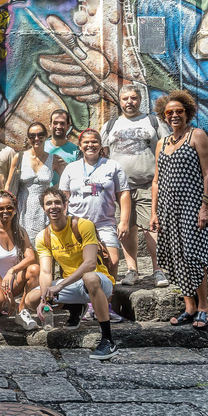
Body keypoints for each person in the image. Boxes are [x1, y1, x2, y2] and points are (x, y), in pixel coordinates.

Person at [151, 90, 208, 330]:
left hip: (194, 207)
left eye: (179, 111)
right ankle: (189, 307)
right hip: (169, 210)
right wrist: (154, 213)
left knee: (195, 256)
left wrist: (205, 207)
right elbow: (156, 180)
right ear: (164, 116)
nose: (174, 115)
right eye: (169, 113)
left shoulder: (197, 135)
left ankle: (204, 306)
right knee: (178, 258)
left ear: (187, 113)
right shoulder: (161, 143)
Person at [25, 188, 118, 360]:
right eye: (48, 203)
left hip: (99, 281)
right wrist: (44, 300)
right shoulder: (43, 237)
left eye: (57, 202)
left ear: (65, 205)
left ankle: (108, 340)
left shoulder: (82, 225)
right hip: (71, 284)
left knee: (89, 277)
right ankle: (76, 307)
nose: (53, 207)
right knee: (31, 299)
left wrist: (60, 285)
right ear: (43, 208)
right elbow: (45, 271)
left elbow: (90, 263)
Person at [102, 85, 170, 287]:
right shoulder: (110, 125)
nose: (129, 102)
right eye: (125, 98)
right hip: (119, 188)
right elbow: (104, 154)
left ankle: (158, 270)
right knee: (126, 228)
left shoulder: (153, 122)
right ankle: (132, 270)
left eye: (133, 98)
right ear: (120, 101)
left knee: (152, 226)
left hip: (149, 184)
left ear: (140, 100)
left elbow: (165, 149)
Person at [60, 128, 129, 322]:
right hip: (78, 225)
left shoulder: (112, 166)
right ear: (80, 146)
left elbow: (123, 193)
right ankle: (89, 305)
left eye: (94, 142)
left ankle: (106, 305)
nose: (90, 145)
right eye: (86, 142)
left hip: (104, 222)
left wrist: (124, 220)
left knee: (112, 261)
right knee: (85, 265)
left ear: (101, 145)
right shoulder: (71, 168)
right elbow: (63, 197)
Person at [0, 190, 40, 330]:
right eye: (1, 208)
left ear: (15, 208)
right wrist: (7, 292)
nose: (5, 211)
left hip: (10, 279)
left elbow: (31, 257)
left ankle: (22, 311)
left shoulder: (19, 231)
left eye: (9, 207)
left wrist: (12, 270)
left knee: (34, 269)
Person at [6, 122, 64, 247]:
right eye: (32, 136)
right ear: (28, 138)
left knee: (46, 246)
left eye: (40, 135)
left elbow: (67, 179)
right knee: (24, 247)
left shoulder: (53, 159)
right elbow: (9, 184)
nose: (36, 139)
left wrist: (53, 190)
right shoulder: (19, 157)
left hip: (45, 209)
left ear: (46, 136)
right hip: (23, 208)